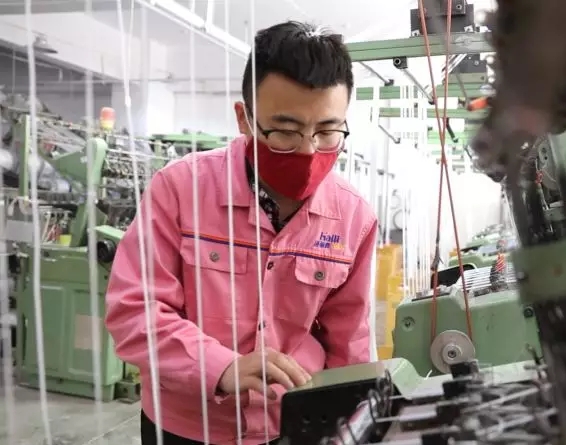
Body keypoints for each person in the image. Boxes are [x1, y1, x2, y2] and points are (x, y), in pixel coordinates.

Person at [105, 21, 377, 445]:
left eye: (327, 131)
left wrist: (353, 422)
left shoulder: (353, 217)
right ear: (244, 119)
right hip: (186, 425)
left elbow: (350, 342)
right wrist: (221, 367)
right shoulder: (181, 190)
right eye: (285, 131)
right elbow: (134, 309)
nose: (308, 150)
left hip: (292, 424)